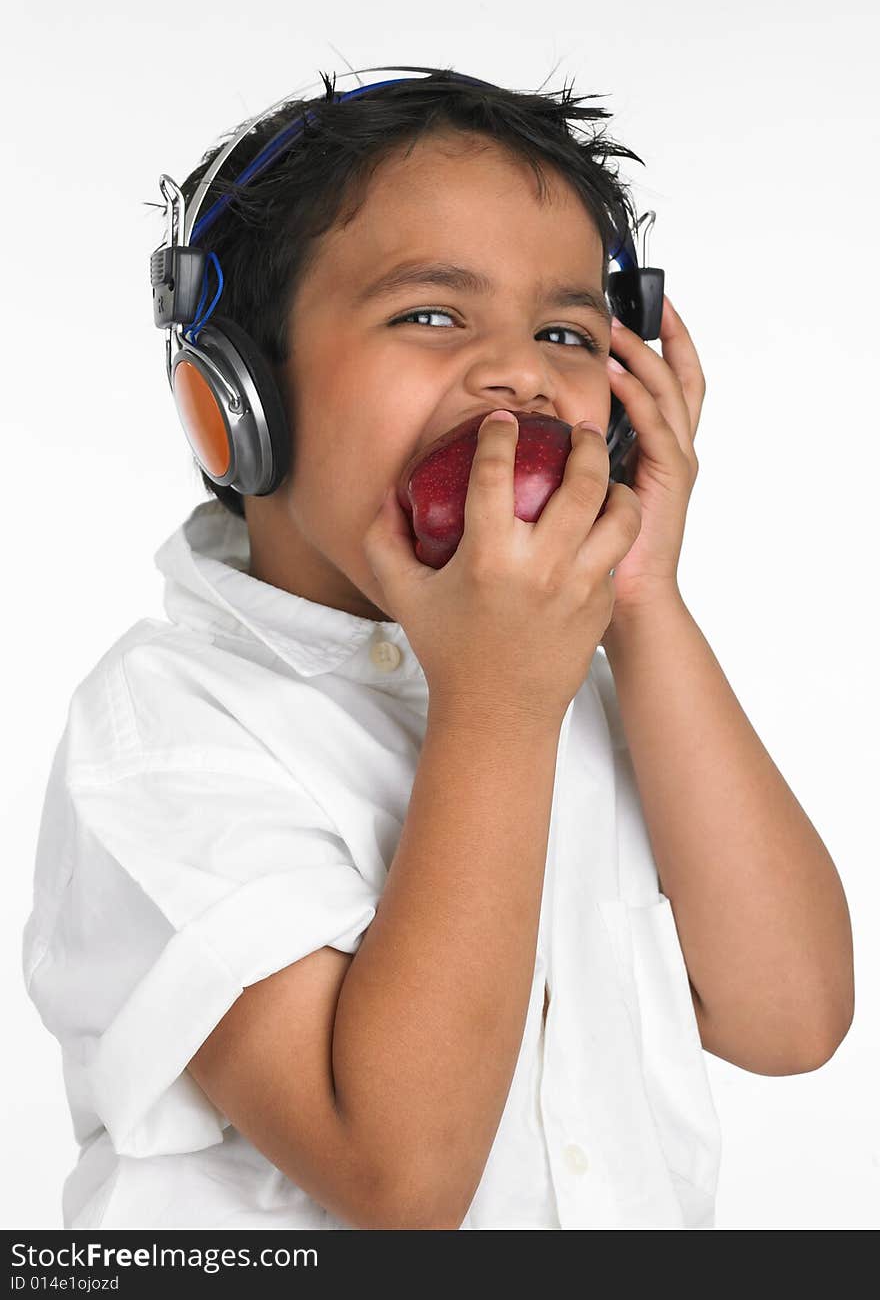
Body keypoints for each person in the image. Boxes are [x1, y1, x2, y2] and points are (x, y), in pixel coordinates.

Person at [21, 68, 854, 1231]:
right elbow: (399, 1182)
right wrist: (498, 709)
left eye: (565, 331)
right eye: (430, 313)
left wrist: (641, 592)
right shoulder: (164, 730)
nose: (518, 369)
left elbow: (791, 1019)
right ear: (236, 402)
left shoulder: (593, 682)